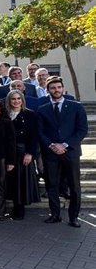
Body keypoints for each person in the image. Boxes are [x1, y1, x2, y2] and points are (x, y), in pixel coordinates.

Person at [37, 77, 88, 227]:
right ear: (48, 90)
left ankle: (74, 217)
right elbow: (40, 132)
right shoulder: (43, 109)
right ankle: (55, 215)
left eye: (59, 87)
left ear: (63, 88)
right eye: (53, 88)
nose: (56, 90)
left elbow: (82, 130)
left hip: (71, 152)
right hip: (51, 153)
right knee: (51, 185)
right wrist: (52, 145)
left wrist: (65, 145)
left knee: (74, 186)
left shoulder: (76, 107)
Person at [5, 90, 41, 220]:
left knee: (21, 181)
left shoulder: (30, 114)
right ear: (9, 100)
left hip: (23, 152)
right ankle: (13, 206)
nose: (16, 101)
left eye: (18, 99)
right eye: (13, 99)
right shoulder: (5, 115)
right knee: (11, 181)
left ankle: (20, 210)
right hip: (8, 152)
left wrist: (30, 153)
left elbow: (33, 136)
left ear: (22, 100)